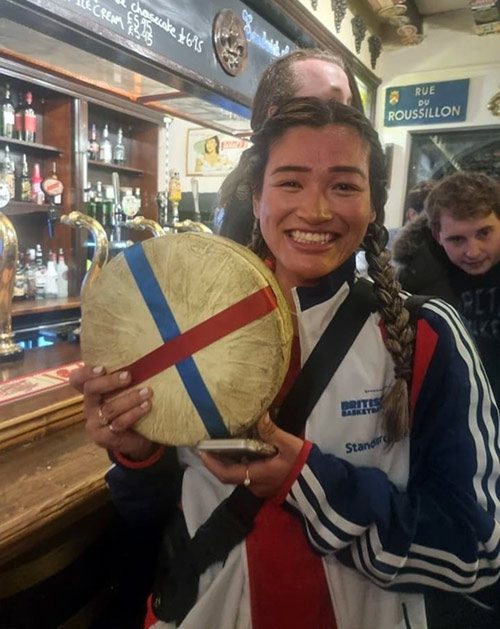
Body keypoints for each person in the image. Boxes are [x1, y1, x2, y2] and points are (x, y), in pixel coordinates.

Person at [72, 99, 500, 629]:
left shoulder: (424, 335)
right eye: (290, 183)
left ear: (373, 205)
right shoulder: (177, 322)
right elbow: (150, 511)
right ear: (256, 197)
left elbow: (475, 553)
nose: (316, 210)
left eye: (344, 185)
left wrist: (306, 479)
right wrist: (135, 452)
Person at [216, 48, 363, 244]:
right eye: (330, 104)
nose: (347, 120)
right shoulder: (246, 205)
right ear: (276, 118)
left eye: (348, 105)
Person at [393, 171, 500, 404]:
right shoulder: (414, 284)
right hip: (452, 413)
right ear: (437, 235)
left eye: (484, 233)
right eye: (457, 239)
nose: (473, 251)